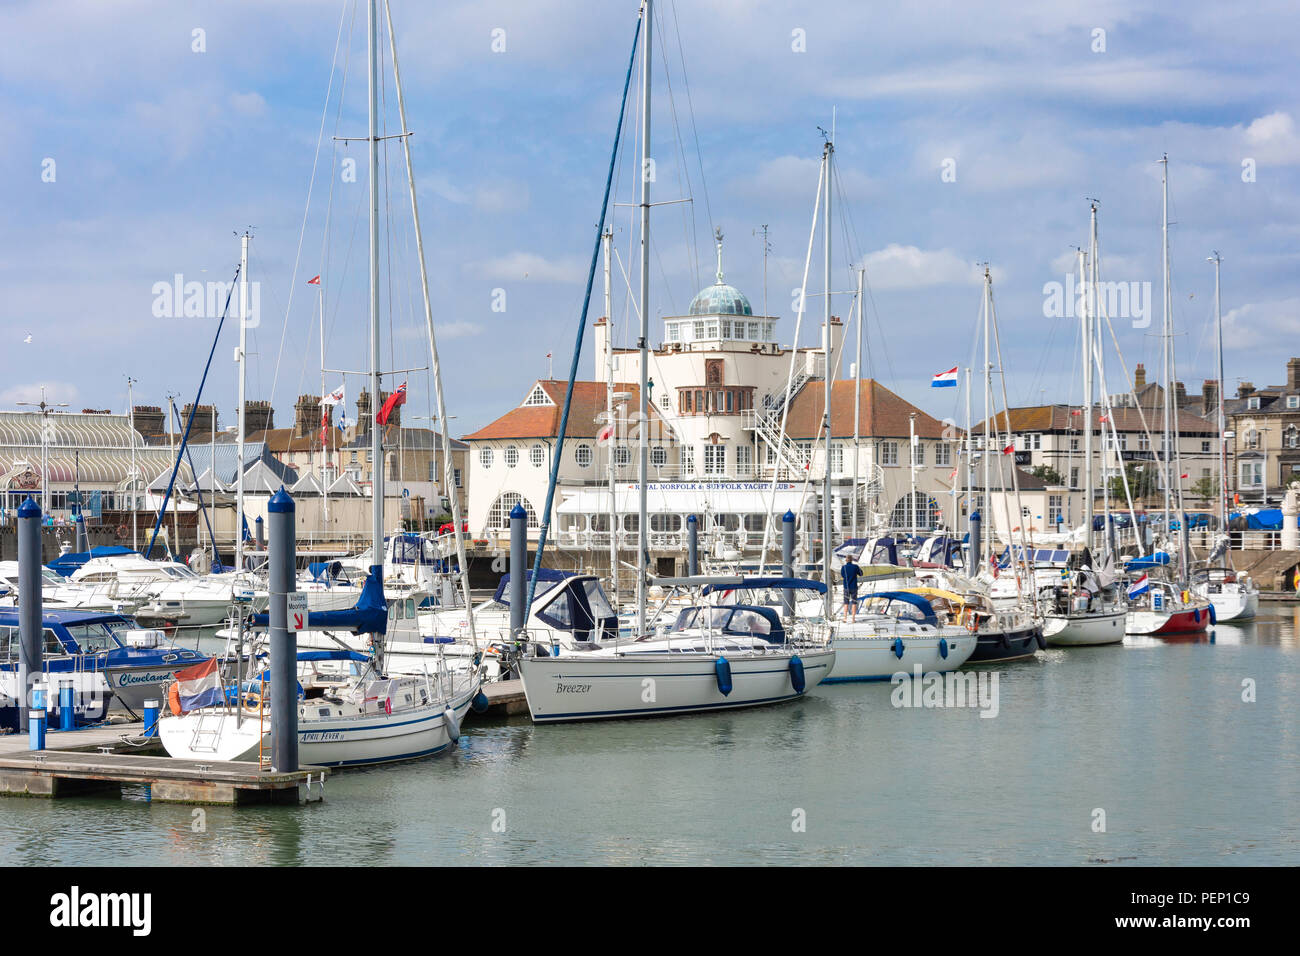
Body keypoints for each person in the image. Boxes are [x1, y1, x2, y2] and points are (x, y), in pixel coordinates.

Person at [840, 555, 862, 622]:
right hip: (854, 587)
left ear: (846, 560)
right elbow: (861, 573)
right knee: (854, 603)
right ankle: (853, 618)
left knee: (846, 603)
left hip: (846, 587)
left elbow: (843, 575)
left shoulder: (843, 567)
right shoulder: (855, 567)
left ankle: (845, 618)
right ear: (852, 560)